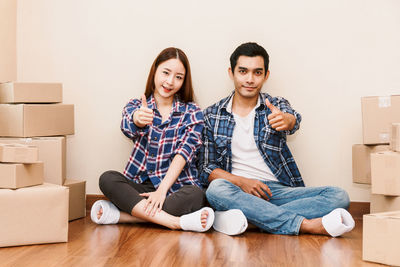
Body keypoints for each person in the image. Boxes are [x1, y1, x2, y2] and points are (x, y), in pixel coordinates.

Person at [199, 42, 355, 237]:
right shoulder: (211, 115)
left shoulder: (276, 105)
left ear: (266, 75)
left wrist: (288, 120)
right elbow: (207, 169)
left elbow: (293, 120)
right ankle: (304, 225)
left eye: (257, 72)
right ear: (231, 73)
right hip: (238, 191)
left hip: (278, 192)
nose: (249, 79)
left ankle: (252, 220)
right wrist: (243, 182)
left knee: (339, 196)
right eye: (243, 71)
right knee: (216, 189)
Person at [90, 47, 214, 232]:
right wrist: (137, 120)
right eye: (165, 73)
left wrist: (162, 191)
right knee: (107, 178)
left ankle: (125, 216)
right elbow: (127, 127)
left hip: (174, 187)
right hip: (141, 186)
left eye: (178, 77)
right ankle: (174, 222)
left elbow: (184, 153)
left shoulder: (192, 111)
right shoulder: (137, 105)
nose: (170, 81)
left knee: (196, 195)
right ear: (154, 70)